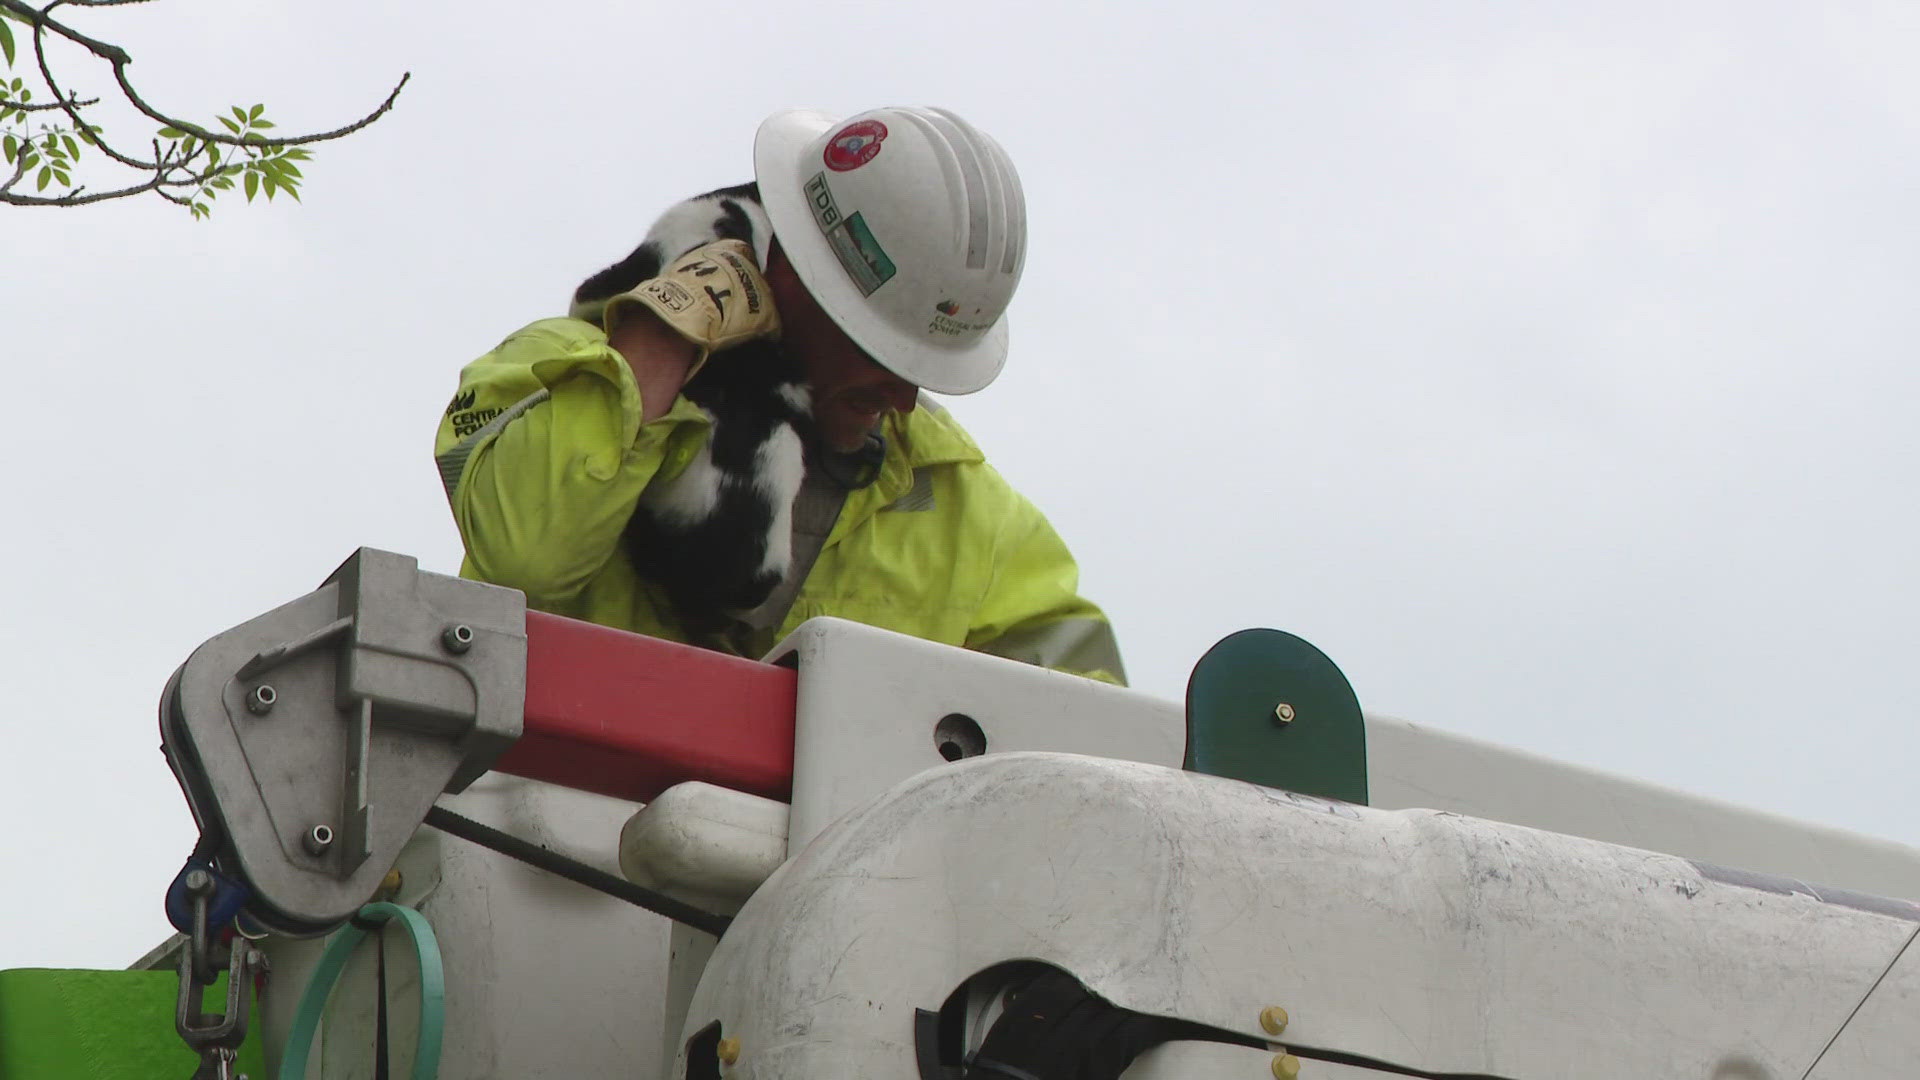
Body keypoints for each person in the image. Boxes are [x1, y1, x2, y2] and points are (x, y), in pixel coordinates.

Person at [434, 105, 1124, 683]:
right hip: (523, 837)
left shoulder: (961, 508)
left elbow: (1096, 743)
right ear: (785, 275)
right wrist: (663, 340)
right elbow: (525, 558)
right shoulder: (552, 372)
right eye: (881, 348)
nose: (904, 398)